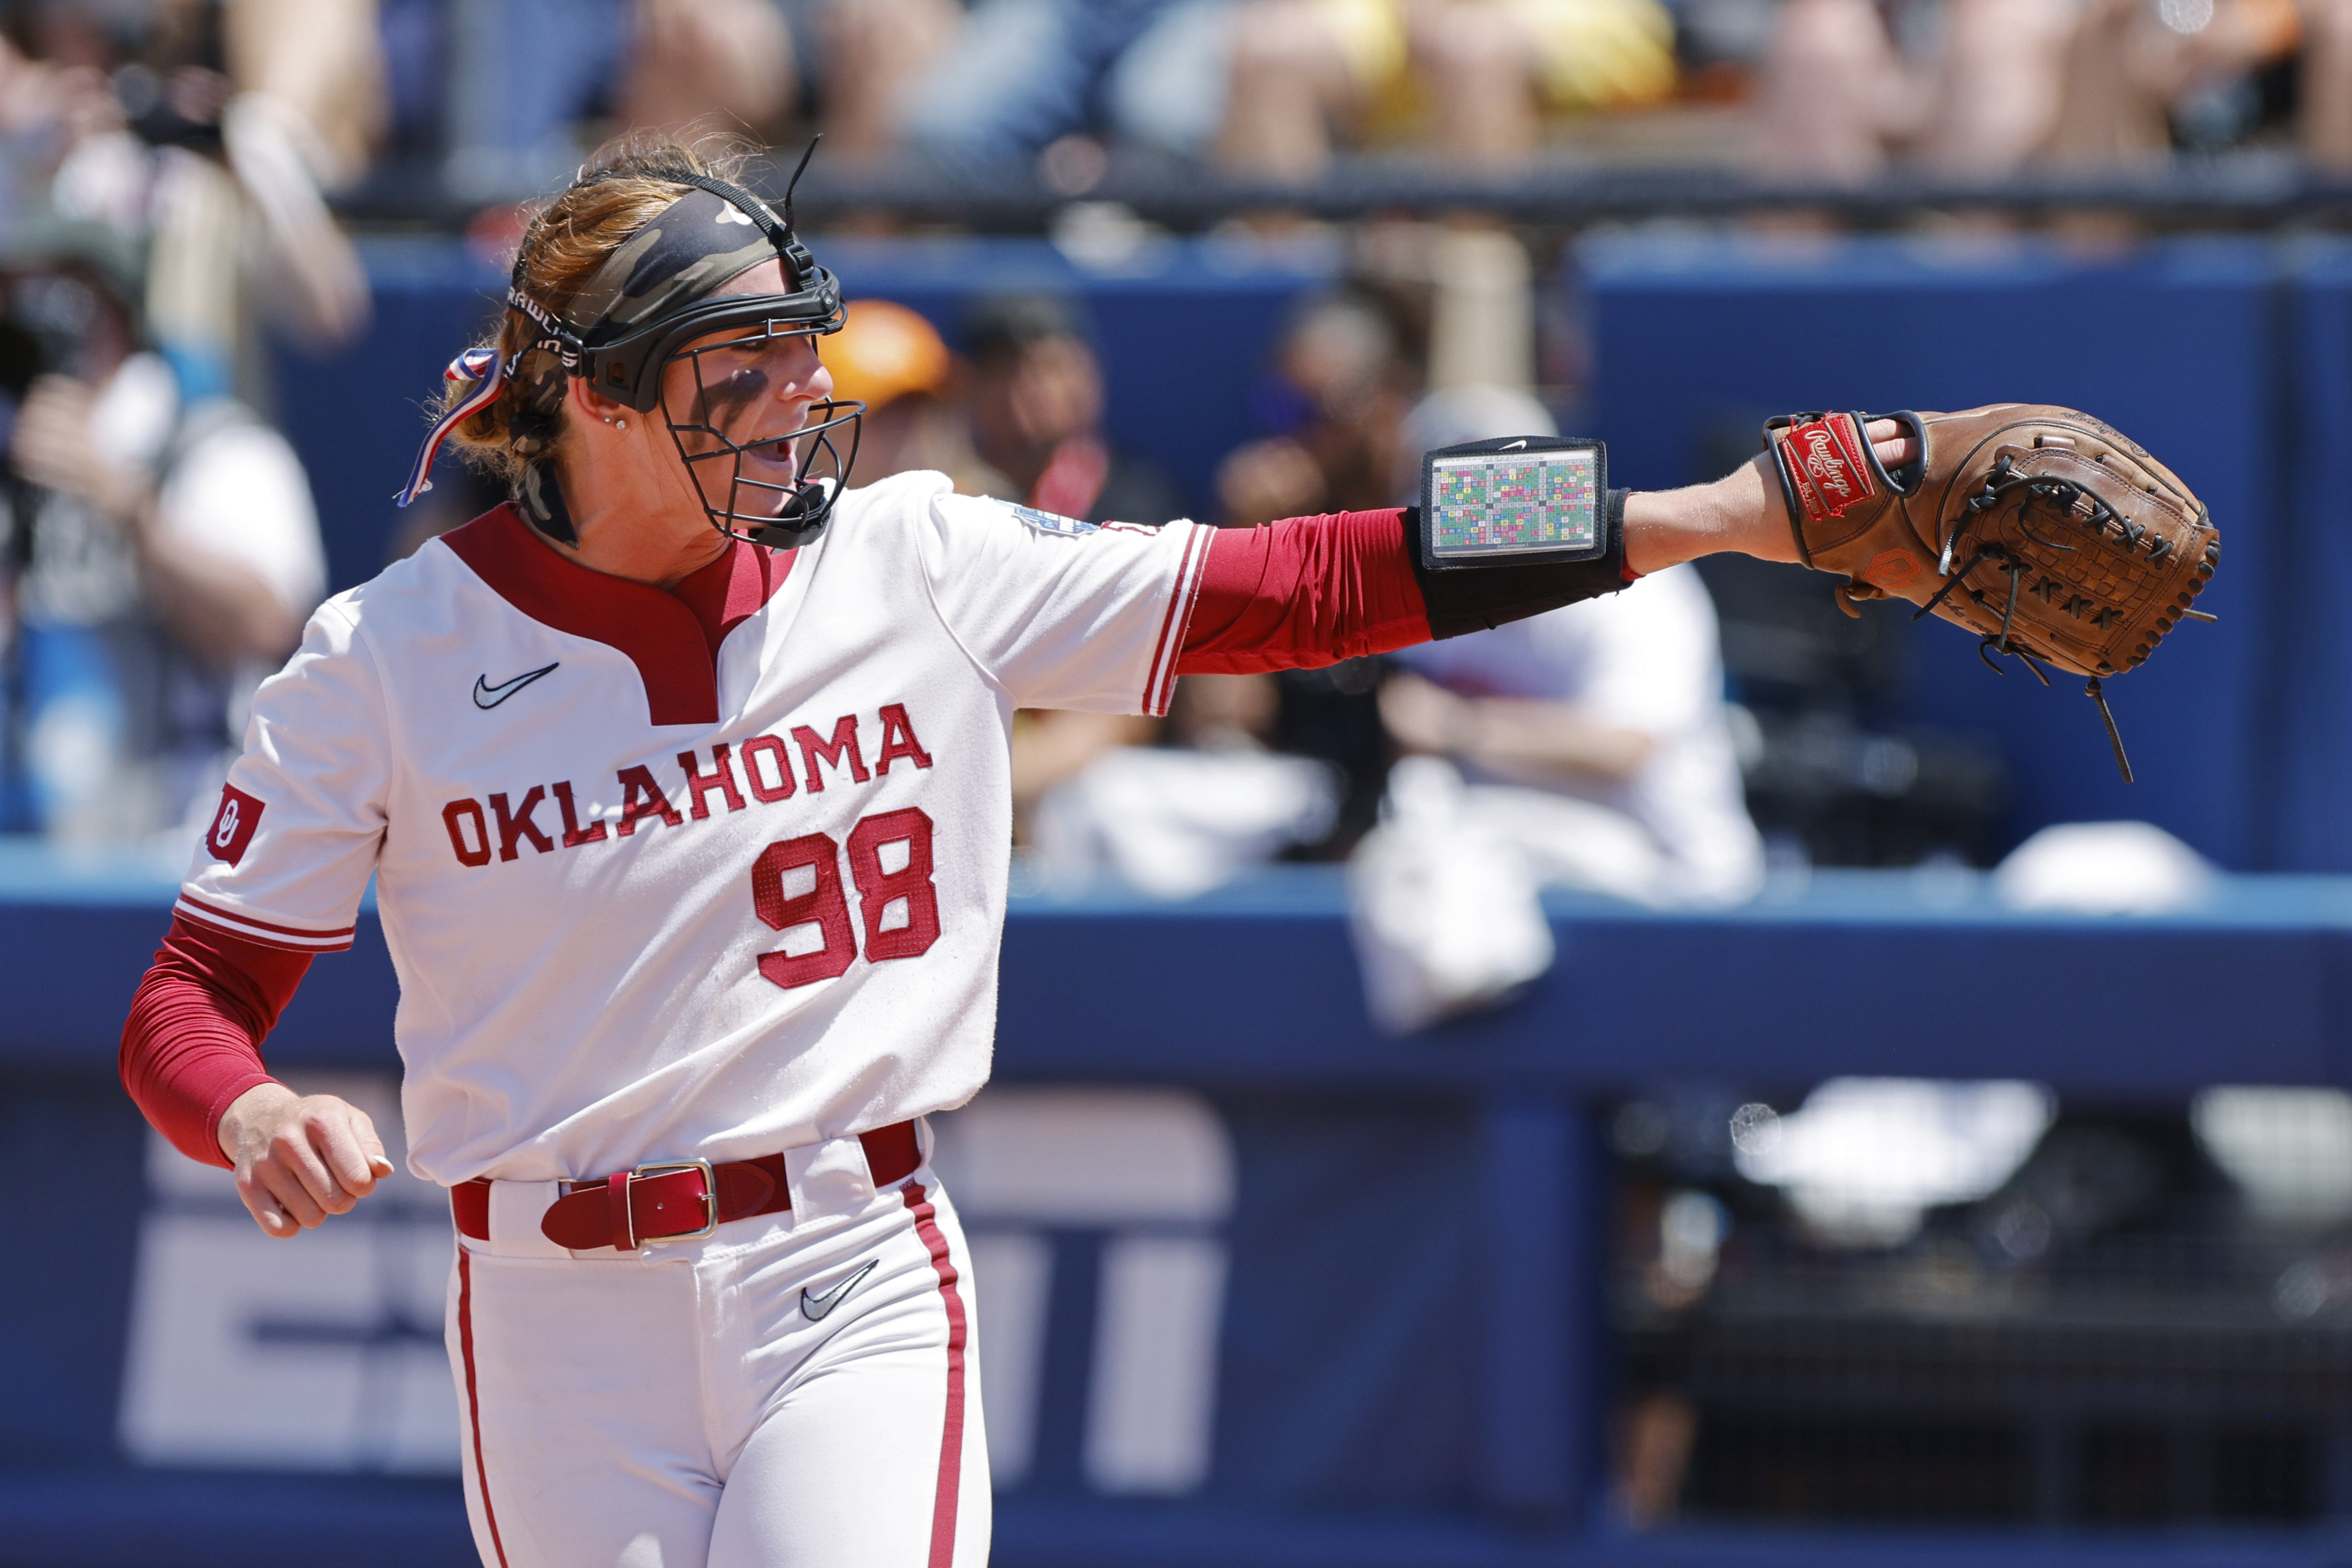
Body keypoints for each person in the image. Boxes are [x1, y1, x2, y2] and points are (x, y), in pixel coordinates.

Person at [113, 132, 1922, 1568]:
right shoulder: (386, 660)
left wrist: (1720, 513)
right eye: (738, 373)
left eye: (791, 355)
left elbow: (1318, 574)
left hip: (849, 1269)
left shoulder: (919, 559)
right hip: (551, 1311)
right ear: (593, 396)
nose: (796, 403)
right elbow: (189, 1001)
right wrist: (249, 1109)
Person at [0, 219, 324, 840]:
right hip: (39, 844)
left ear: (119, 316)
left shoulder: (215, 448)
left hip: (189, 841)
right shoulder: (12, 457)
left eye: (65, 301)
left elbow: (267, 624)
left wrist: (130, 509)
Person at [960, 291, 1184, 527]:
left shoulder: (1139, 501)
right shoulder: (950, 501)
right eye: (1002, 372)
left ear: (1088, 377)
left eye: (1048, 368)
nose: (1027, 390)